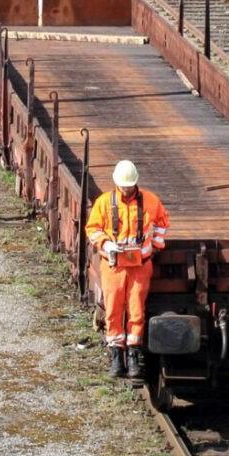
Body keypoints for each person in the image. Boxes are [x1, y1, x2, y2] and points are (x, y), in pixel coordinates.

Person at [85, 160, 170, 379]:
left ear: (135, 183)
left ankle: (133, 355)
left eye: (129, 185)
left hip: (140, 266)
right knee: (113, 310)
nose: (126, 189)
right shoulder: (104, 203)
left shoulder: (151, 202)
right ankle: (115, 355)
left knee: (136, 311)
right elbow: (92, 228)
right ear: (116, 183)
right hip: (113, 265)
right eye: (123, 185)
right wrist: (105, 244)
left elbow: (162, 223)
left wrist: (156, 246)